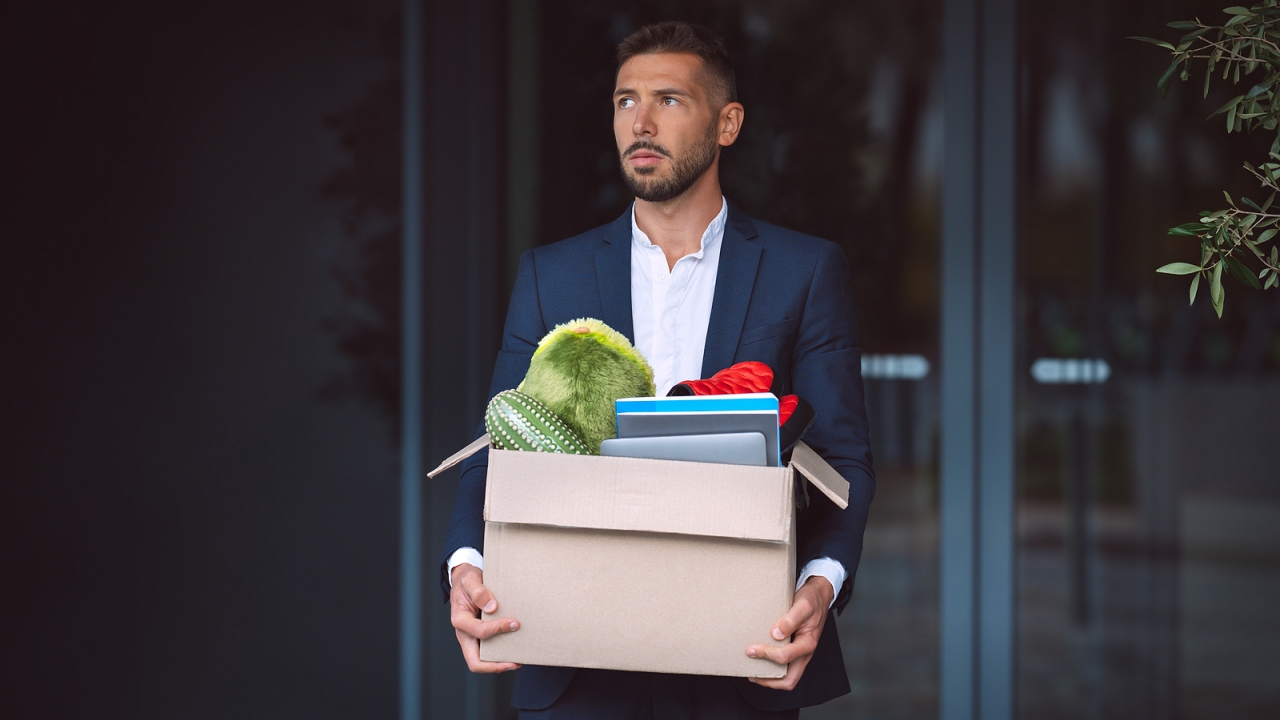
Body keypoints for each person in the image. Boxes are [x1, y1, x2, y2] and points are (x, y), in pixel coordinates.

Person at [441, 21, 875, 719]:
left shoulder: (805, 270)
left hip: (746, 659)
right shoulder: (551, 274)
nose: (640, 121)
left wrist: (819, 588)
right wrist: (467, 568)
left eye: (669, 100)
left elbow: (843, 460)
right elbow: (498, 446)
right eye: (624, 101)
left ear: (727, 123)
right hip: (574, 663)